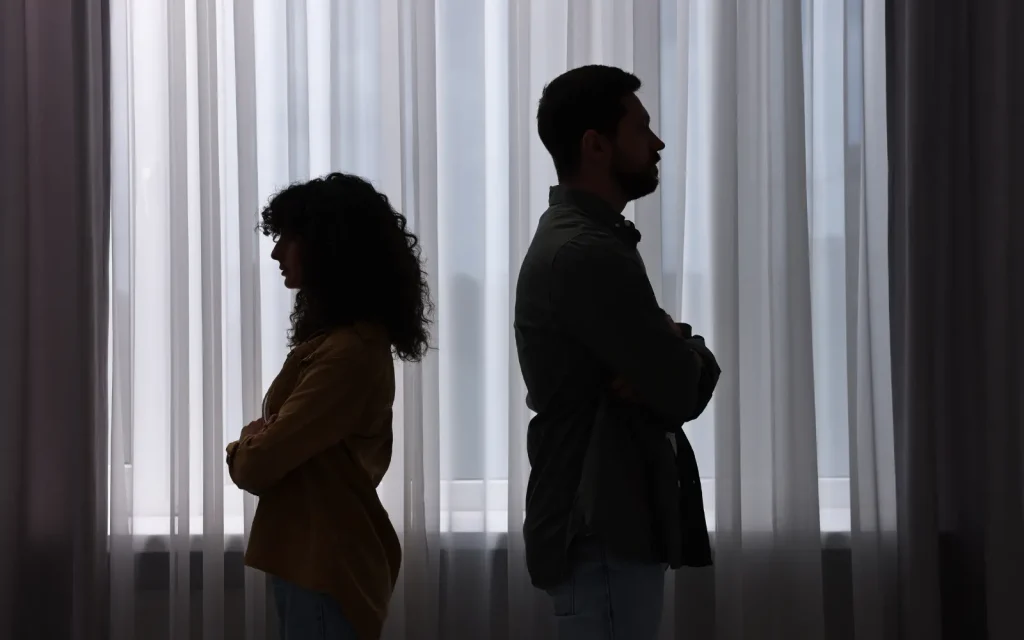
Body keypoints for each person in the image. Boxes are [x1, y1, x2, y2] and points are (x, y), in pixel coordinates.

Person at [514, 65, 721, 639]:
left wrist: (671, 347)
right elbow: (680, 387)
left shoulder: (584, 241)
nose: (656, 143)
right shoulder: (586, 252)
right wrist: (688, 349)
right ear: (595, 145)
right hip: (602, 523)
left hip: (605, 520)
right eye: (641, 128)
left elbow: (664, 376)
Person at [225, 173, 431, 640]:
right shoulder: (340, 344)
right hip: (317, 563)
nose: (276, 252)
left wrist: (244, 444)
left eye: (288, 238)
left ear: (326, 245)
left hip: (325, 567)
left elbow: (259, 466)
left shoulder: (349, 352)